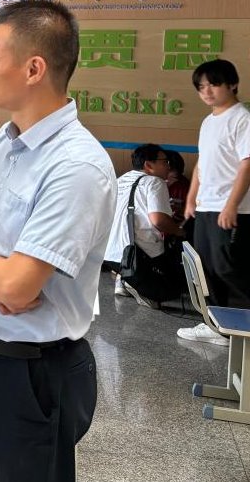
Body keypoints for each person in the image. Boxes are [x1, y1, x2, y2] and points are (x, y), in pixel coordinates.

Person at [0, 0, 115, 482]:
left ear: (34, 69)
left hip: (34, 373)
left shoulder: (76, 166)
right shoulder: (5, 140)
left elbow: (15, 288)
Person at [177, 59, 250, 345]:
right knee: (206, 267)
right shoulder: (208, 121)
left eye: (213, 84)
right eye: (201, 87)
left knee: (228, 268)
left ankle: (241, 325)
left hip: (231, 208)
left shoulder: (242, 118)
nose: (206, 91)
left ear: (232, 84)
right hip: (206, 206)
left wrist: (231, 205)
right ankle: (220, 326)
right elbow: (201, 164)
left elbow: (247, 164)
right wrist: (191, 198)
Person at [106, 144, 185, 306]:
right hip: (140, 255)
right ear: (148, 165)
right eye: (165, 162)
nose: (168, 166)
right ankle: (135, 285)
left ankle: (127, 279)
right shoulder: (155, 182)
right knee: (174, 290)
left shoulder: (119, 181)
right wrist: (179, 231)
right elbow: (158, 220)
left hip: (110, 254)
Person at [165, 149, 191, 225]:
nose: (169, 181)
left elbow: (190, 210)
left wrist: (181, 210)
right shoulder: (150, 183)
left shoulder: (183, 185)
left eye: (174, 178)